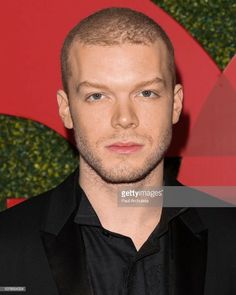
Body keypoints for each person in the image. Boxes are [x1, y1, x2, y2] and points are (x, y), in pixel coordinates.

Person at [0, 7, 235, 295]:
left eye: (146, 93)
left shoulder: (231, 235)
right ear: (66, 109)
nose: (124, 118)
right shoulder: (6, 243)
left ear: (175, 104)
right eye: (97, 96)